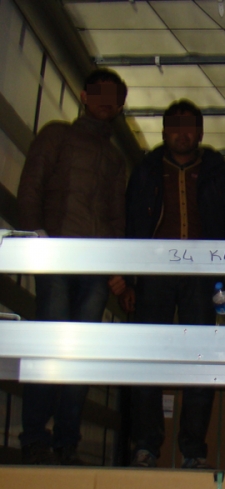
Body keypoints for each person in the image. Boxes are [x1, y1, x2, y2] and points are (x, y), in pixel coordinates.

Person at [109, 100, 225, 469]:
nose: (182, 134)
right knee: (147, 358)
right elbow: (130, 222)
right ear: (164, 131)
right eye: (175, 126)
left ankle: (193, 450)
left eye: (189, 127)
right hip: (155, 274)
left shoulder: (216, 172)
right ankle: (146, 445)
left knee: (201, 360)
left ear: (200, 132)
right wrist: (128, 278)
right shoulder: (147, 170)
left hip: (202, 276)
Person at [17, 68, 128, 465]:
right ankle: (34, 437)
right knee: (50, 344)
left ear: (120, 106)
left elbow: (117, 217)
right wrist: (34, 237)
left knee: (81, 352)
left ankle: (66, 442)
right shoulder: (56, 135)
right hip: (57, 255)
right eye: (99, 93)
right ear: (83, 96)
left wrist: (117, 266)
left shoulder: (115, 159)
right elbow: (31, 186)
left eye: (114, 97)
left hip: (95, 265)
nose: (106, 102)